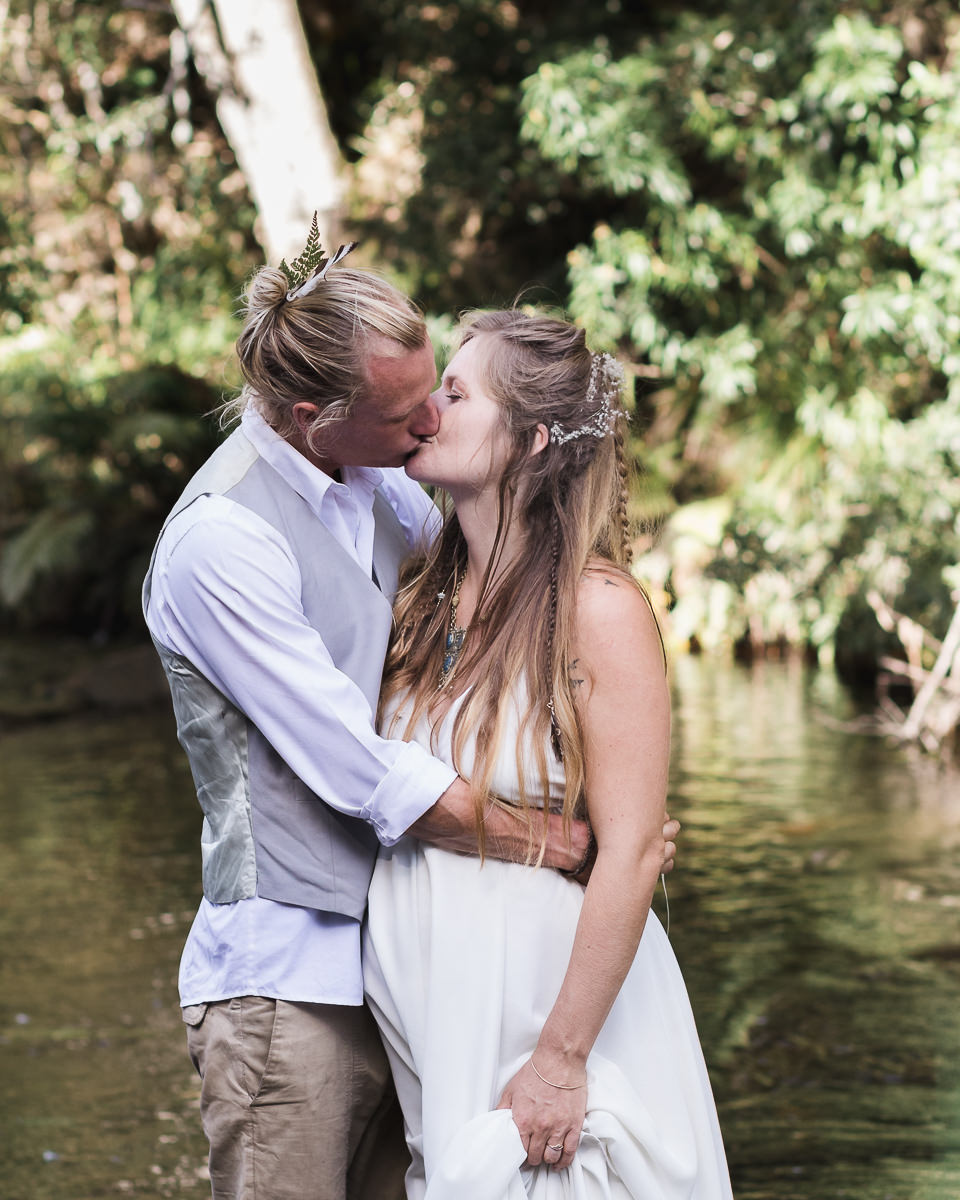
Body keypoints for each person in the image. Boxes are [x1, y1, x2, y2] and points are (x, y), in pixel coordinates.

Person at [142, 237, 679, 1200]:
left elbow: (513, 580)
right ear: (314, 420)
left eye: (444, 393)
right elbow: (363, 770)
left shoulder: (387, 488)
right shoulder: (221, 541)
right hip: (291, 983)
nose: (428, 419)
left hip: (434, 994)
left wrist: (624, 837)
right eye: (408, 412)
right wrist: (556, 840)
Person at [363, 310, 732, 1198]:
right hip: (444, 1026)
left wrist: (562, 1060)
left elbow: (633, 851)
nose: (428, 408)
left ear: (529, 442)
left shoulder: (597, 609)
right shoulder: (421, 594)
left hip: (549, 1021)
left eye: (457, 394)